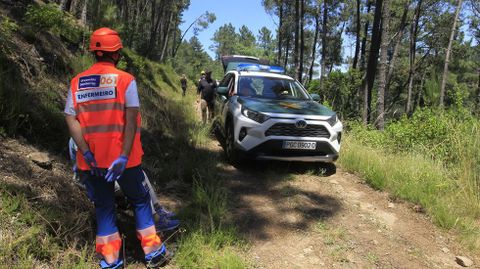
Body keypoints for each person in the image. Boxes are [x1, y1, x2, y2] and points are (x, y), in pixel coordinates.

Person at [64, 27, 170, 269]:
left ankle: (111, 260)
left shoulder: (77, 83)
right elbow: (131, 120)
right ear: (117, 53)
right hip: (126, 161)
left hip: (93, 162)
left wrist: (86, 152)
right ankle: (153, 253)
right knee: (141, 200)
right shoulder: (126, 80)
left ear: (94, 52)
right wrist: (122, 156)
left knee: (104, 205)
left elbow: (71, 120)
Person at [68, 138, 179, 233]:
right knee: (135, 181)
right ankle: (155, 219)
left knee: (139, 174)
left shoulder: (87, 133)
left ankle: (157, 209)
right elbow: (94, 166)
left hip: (101, 176)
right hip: (94, 180)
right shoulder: (83, 138)